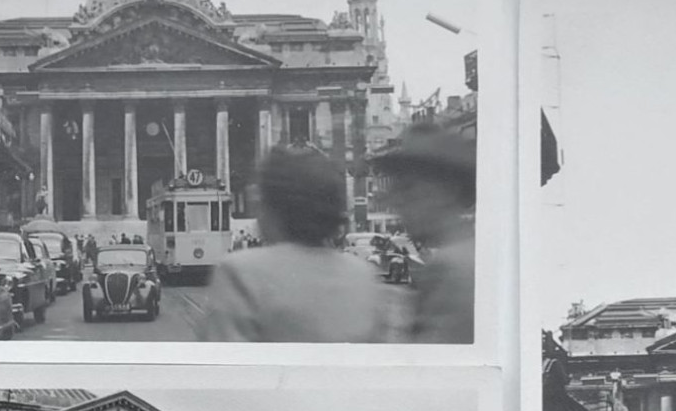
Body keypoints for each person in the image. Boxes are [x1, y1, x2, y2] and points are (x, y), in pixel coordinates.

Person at [199, 145, 387, 342]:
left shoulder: (240, 273)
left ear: (273, 208)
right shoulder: (362, 274)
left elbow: (226, 363)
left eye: (260, 201)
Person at [378, 124, 476, 343]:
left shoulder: (450, 268)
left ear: (446, 191)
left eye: (408, 188)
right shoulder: (470, 253)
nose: (397, 201)